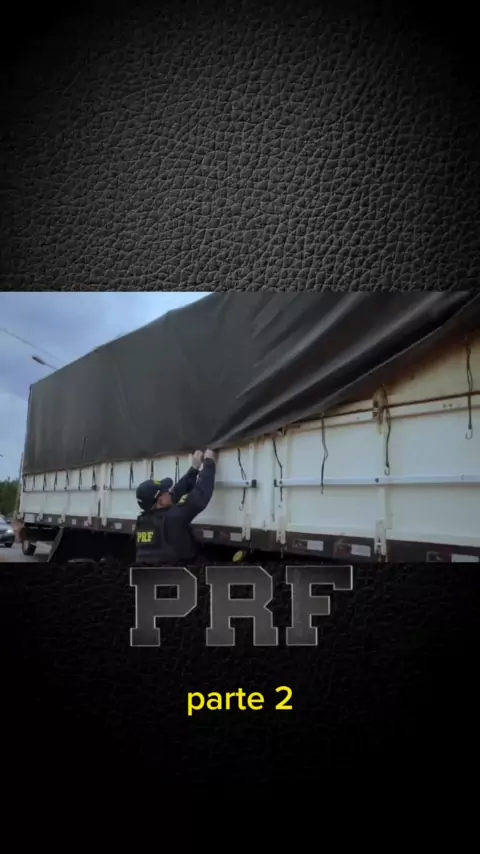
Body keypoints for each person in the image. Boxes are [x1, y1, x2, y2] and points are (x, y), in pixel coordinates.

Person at [134, 449, 217, 565]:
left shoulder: (142, 522)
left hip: (150, 573)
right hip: (176, 572)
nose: (170, 492)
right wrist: (209, 463)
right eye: (166, 491)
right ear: (161, 501)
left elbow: (175, 493)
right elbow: (200, 495)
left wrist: (193, 470)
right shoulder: (173, 518)